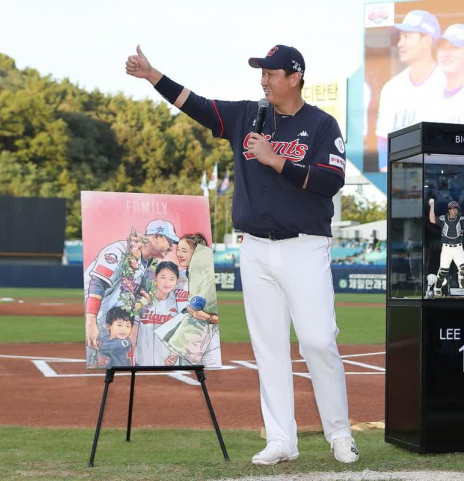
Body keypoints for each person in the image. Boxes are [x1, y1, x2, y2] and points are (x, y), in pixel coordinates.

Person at [126, 44, 358, 464]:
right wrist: (152, 74)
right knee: (268, 347)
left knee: (318, 341)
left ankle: (340, 433)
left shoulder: (321, 124)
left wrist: (275, 161)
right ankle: (281, 440)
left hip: (305, 246)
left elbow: (331, 181)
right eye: (261, 72)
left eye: (271, 72)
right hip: (254, 248)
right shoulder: (248, 115)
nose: (264, 79)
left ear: (295, 77)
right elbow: (194, 104)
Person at [84, 219, 180, 366]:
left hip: (115, 325)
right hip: (96, 320)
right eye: (170, 241)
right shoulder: (120, 251)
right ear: (156, 236)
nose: (172, 247)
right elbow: (97, 283)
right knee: (93, 368)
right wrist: (90, 323)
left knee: (111, 368)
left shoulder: (149, 264)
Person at [375, 10, 445, 172]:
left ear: (427, 40)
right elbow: (383, 142)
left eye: (407, 37)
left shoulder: (447, 83)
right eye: (400, 37)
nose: (400, 43)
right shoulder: (392, 89)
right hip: (402, 183)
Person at [175, 233, 221, 368]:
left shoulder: (211, 278)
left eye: (184, 251)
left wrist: (207, 317)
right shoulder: (176, 278)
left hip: (210, 343)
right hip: (186, 343)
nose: (179, 254)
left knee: (212, 381)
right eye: (178, 249)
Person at [135, 261, 181, 366]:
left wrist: (175, 355)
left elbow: (179, 333)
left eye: (172, 279)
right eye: (163, 277)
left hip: (167, 362)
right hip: (141, 360)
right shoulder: (142, 299)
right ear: (155, 277)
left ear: (177, 281)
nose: (167, 282)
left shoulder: (178, 303)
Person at [428, 199, 464, 296]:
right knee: (443, 271)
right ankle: (437, 287)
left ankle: (463, 290)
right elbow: (432, 219)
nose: (455, 211)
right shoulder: (443, 219)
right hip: (446, 249)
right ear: (449, 210)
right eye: (453, 209)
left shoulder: (462, 219)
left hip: (458, 248)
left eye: (456, 209)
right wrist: (432, 206)